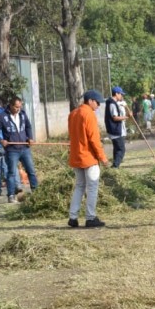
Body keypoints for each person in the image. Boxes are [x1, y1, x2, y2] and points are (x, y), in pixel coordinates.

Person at [67, 89, 109, 228]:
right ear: (90, 101)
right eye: (97, 103)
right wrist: (102, 157)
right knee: (92, 187)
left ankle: (73, 217)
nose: (98, 106)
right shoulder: (89, 114)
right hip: (89, 157)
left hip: (76, 156)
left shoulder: (73, 114)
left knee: (79, 186)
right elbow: (94, 139)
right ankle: (90, 217)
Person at [0, 96, 38, 203]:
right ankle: (11, 195)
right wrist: (1, 140)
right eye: (16, 107)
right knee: (12, 172)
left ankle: (36, 192)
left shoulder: (22, 114)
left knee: (31, 170)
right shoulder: (2, 116)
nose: (18, 109)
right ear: (11, 105)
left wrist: (30, 138)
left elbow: (28, 126)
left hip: (24, 148)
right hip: (12, 149)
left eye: (20, 107)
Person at [104, 86, 128, 168]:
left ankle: (115, 164)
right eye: (120, 94)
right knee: (121, 149)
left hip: (114, 129)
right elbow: (115, 117)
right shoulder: (112, 104)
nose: (121, 96)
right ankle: (115, 166)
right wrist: (125, 117)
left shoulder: (112, 102)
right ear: (116, 94)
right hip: (115, 130)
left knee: (117, 149)